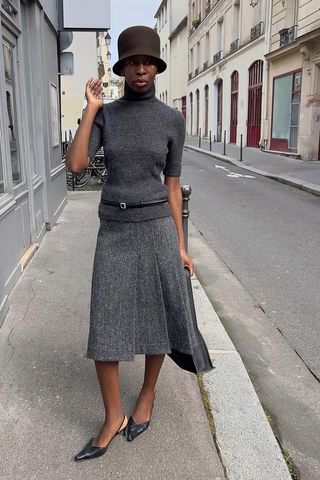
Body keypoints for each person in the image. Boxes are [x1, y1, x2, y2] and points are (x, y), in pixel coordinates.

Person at [67, 25, 196, 461]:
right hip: (116, 230)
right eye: (132, 62)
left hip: (158, 227)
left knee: (157, 319)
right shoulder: (107, 114)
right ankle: (112, 416)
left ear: (157, 66)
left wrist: (180, 245)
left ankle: (146, 396)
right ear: (121, 67)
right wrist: (90, 110)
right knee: (106, 323)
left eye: (148, 62)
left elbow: (173, 187)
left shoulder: (172, 120)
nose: (141, 69)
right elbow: (78, 166)